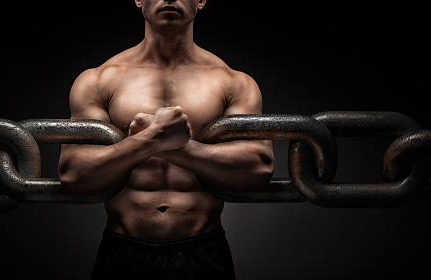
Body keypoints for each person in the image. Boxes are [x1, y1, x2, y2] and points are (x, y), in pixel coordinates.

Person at [58, 0, 274, 279]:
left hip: (204, 250)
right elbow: (74, 174)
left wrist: (166, 145)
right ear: (138, 0)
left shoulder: (234, 83)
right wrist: (152, 140)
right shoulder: (98, 81)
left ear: (201, 1)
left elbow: (258, 169)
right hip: (123, 249)